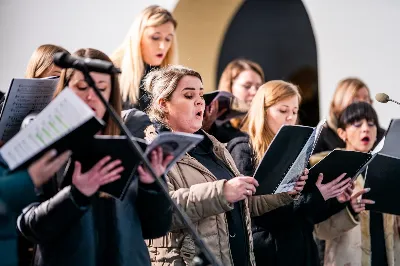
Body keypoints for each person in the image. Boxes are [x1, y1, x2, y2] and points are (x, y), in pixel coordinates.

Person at [17, 48, 173, 266]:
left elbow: (156, 228)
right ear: (64, 90)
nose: (91, 96)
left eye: (101, 89)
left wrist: (152, 186)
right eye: (81, 87)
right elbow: (27, 225)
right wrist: (76, 196)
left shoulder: (130, 141)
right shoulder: (41, 136)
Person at [142, 65, 305, 266]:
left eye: (201, 95)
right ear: (163, 104)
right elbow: (159, 212)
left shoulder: (213, 146)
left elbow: (243, 205)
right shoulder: (152, 151)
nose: (199, 101)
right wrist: (222, 192)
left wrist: (286, 192)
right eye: (189, 95)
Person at [227, 80, 354, 266]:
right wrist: (315, 197)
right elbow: (253, 212)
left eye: (294, 111)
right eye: (283, 110)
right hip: (270, 252)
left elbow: (306, 217)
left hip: (302, 251)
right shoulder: (244, 149)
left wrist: (334, 200)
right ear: (263, 110)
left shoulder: (297, 149)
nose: (290, 117)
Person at [313, 102, 400, 266]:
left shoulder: (389, 168)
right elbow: (320, 231)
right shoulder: (329, 168)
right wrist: (350, 211)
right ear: (342, 133)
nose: (366, 128)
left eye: (371, 123)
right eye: (357, 124)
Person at [112, 5, 178, 111]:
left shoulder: (171, 79)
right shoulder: (114, 72)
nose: (163, 46)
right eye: (155, 38)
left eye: (168, 39)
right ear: (138, 37)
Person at [313, 77, 385, 154]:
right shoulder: (323, 134)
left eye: (366, 99)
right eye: (355, 99)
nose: (362, 104)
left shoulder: (381, 134)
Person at [202, 59, 264, 143]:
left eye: (258, 87)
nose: (254, 92)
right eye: (247, 86)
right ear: (229, 87)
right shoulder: (213, 125)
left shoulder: (265, 121)